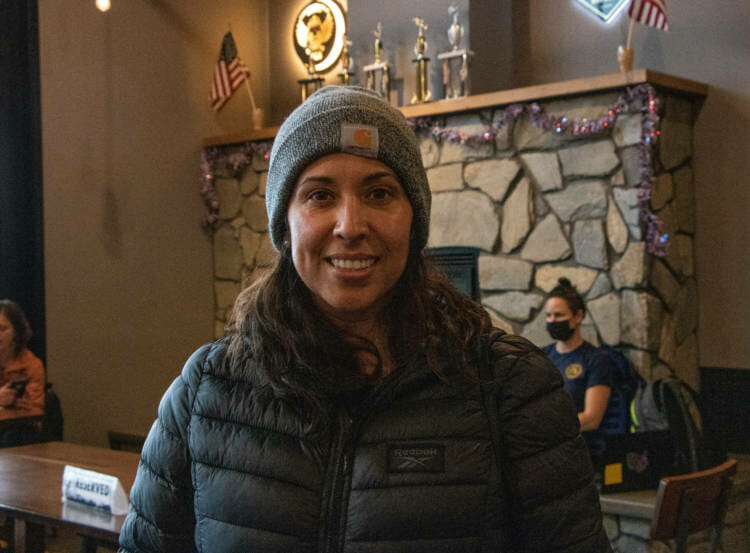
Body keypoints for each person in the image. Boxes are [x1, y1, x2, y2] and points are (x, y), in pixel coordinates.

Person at [118, 86, 611, 553]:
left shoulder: (510, 388)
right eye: (319, 195)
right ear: (284, 225)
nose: (350, 226)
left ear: (413, 219)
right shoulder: (207, 390)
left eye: (379, 194)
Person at [541, 278, 624, 459]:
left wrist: (547, 430)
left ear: (578, 316)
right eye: (548, 316)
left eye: (559, 315)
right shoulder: (541, 356)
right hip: (545, 450)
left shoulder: (596, 359)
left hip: (581, 450)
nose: (552, 321)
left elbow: (592, 418)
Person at [0, 299, 46, 446]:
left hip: (17, 433)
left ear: (16, 331)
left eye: (2, 328)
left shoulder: (31, 365)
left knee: (16, 435)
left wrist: (20, 405)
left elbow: (36, 416)